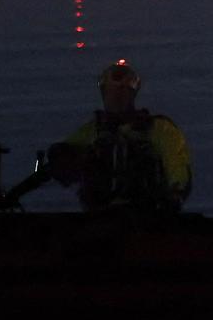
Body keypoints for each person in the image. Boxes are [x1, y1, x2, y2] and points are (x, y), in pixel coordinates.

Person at [47, 60, 192, 212]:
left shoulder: (160, 129)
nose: (117, 97)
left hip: (148, 214)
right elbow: (59, 163)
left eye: (123, 91)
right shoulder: (92, 131)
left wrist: (174, 197)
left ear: (132, 94)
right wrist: (59, 157)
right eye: (112, 92)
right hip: (100, 215)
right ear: (104, 94)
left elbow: (178, 167)